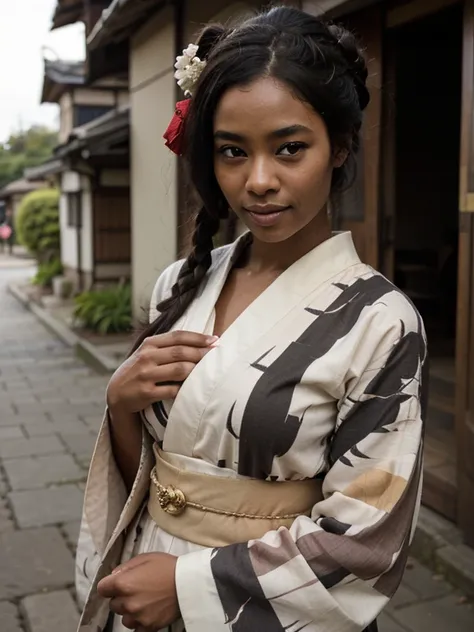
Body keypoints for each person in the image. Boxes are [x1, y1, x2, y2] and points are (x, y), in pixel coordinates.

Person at [75, 6, 427, 632]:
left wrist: (186, 586)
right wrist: (122, 404)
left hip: (256, 605)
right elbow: (149, 479)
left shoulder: (381, 323)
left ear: (339, 146)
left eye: (290, 148)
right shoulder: (179, 287)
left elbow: (367, 538)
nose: (258, 180)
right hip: (148, 580)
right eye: (232, 151)